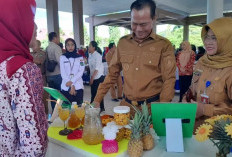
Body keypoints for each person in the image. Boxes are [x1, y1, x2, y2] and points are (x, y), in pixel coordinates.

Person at [93, 0, 176, 115]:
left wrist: (162, 109)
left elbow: (169, 79)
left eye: (143, 24)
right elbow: (112, 74)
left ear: (154, 19)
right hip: (126, 107)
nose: (138, 29)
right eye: (134, 23)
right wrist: (97, 99)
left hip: (152, 109)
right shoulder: (123, 43)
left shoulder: (164, 45)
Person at [0, 0, 48, 156]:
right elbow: (34, 146)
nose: (35, 27)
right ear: (16, 23)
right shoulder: (22, 70)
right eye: (30, 18)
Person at [183, 17, 232, 129]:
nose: (208, 42)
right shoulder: (202, 62)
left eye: (214, 38)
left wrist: (205, 110)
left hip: (219, 136)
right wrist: (186, 98)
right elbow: (192, 87)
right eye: (207, 37)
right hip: (195, 129)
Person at [60, 38, 85, 105]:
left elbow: (81, 71)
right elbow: (63, 72)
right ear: (65, 46)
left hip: (78, 85)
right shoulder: (62, 57)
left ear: (75, 45)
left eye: (72, 45)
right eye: (68, 45)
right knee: (67, 109)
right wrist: (71, 85)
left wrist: (72, 82)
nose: (70, 47)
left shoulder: (80, 57)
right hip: (66, 86)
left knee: (78, 108)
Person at [46, 32, 62, 111]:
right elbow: (60, 61)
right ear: (55, 38)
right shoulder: (56, 47)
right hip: (57, 74)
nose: (58, 39)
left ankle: (54, 112)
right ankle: (60, 112)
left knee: (53, 95)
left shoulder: (47, 47)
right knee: (60, 95)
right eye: (58, 37)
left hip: (49, 75)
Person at [31, 40, 49, 114]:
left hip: (42, 77)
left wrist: (28, 58)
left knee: (44, 97)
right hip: (33, 78)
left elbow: (39, 61)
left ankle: (46, 114)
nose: (32, 47)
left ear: (39, 45)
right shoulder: (31, 54)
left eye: (34, 45)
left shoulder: (42, 53)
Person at [88, 41, 105, 112]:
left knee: (98, 93)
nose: (88, 47)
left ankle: (99, 108)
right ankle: (97, 107)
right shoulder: (90, 55)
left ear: (94, 47)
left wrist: (92, 78)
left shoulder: (98, 55)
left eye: (90, 46)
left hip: (98, 77)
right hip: (93, 76)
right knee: (93, 92)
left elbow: (97, 68)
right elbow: (91, 66)